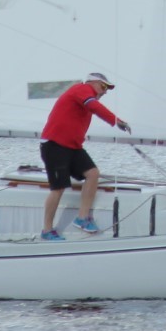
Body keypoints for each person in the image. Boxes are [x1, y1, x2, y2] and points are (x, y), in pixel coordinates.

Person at [38, 72, 131, 241]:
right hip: (54, 145)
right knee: (58, 187)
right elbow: (95, 106)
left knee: (92, 174)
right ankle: (47, 230)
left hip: (72, 147)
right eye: (103, 86)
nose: (105, 91)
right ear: (92, 83)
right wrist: (116, 120)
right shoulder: (81, 89)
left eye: (107, 89)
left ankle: (82, 217)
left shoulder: (87, 99)